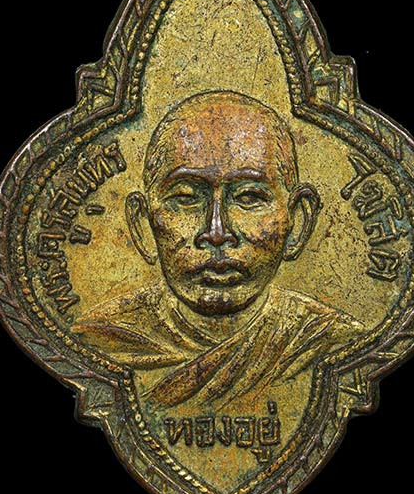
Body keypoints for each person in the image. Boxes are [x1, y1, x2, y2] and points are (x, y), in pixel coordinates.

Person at [72, 91, 365, 410]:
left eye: (249, 198)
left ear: (297, 222)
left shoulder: (333, 342)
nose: (216, 232)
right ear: (143, 224)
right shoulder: (99, 340)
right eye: (185, 197)